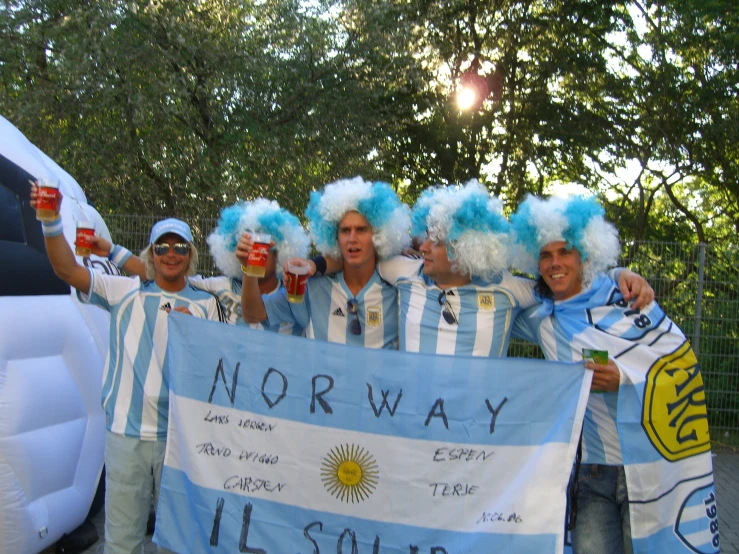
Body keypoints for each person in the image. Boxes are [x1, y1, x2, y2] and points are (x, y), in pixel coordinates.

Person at [510, 194, 717, 554]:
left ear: (585, 256)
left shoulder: (628, 298)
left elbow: (681, 366)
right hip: (592, 473)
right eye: (545, 255)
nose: (555, 263)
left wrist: (626, 379)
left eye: (565, 252)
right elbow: (481, 301)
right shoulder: (541, 321)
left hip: (651, 465)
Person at [31, 182, 225, 554]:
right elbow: (67, 270)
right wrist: (51, 221)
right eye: (163, 246)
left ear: (191, 254)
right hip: (126, 436)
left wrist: (197, 331)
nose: (171, 253)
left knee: (179, 542)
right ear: (151, 253)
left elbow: (217, 366)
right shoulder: (124, 291)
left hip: (181, 439)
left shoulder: (207, 303)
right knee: (122, 542)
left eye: (180, 246)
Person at [308, 180, 653, 356]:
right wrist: (316, 263)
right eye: (425, 238)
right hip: (409, 432)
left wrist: (616, 274)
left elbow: (563, 284)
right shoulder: (401, 272)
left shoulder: (507, 289)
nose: (424, 245)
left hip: (475, 445)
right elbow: (355, 252)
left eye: (436, 241)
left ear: (463, 249)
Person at [238, 176, 410, 348]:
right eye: (345, 231)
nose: (352, 238)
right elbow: (253, 314)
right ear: (335, 237)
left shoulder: (399, 291)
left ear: (379, 235)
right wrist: (249, 268)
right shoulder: (311, 288)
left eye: (361, 230)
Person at [94, 198, 309, 334]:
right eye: (249, 248)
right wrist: (113, 252)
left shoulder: (293, 293)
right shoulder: (219, 288)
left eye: (263, 249)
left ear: (280, 252)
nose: (256, 255)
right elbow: (166, 274)